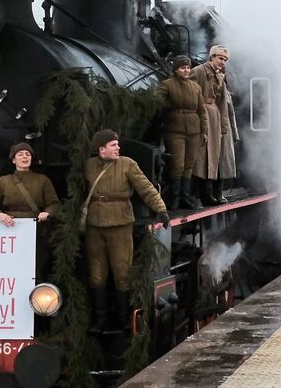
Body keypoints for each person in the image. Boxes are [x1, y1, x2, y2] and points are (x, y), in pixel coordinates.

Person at [82, 129, 167, 330]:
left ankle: (124, 318)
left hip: (120, 223)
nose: (118, 148)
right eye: (113, 145)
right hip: (94, 225)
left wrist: (161, 209)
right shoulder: (88, 166)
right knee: (96, 274)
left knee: (122, 272)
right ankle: (100, 318)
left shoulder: (128, 164)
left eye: (117, 144)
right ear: (101, 149)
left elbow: (146, 188)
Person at [157, 56, 207, 210]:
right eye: (182, 68)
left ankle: (186, 199)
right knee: (177, 165)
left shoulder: (196, 87)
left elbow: (202, 111)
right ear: (176, 69)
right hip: (174, 130)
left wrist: (204, 131)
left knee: (189, 165)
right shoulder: (167, 85)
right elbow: (157, 101)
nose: (186, 70)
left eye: (188, 68)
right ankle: (174, 200)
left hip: (194, 131)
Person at [0, 142, 59, 227]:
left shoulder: (43, 180)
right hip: (9, 227)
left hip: (35, 227)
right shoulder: (3, 181)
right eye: (20, 154)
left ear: (31, 159)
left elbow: (54, 204)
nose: (25, 156)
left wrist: (47, 213)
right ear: (14, 160)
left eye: (28, 154)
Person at [191, 45, 231, 205]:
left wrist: (224, 126)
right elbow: (191, 94)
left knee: (212, 156)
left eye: (225, 60)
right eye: (220, 58)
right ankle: (205, 195)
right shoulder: (199, 71)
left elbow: (222, 102)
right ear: (212, 57)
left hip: (214, 115)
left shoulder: (220, 75)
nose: (223, 62)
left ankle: (209, 195)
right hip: (202, 113)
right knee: (202, 157)